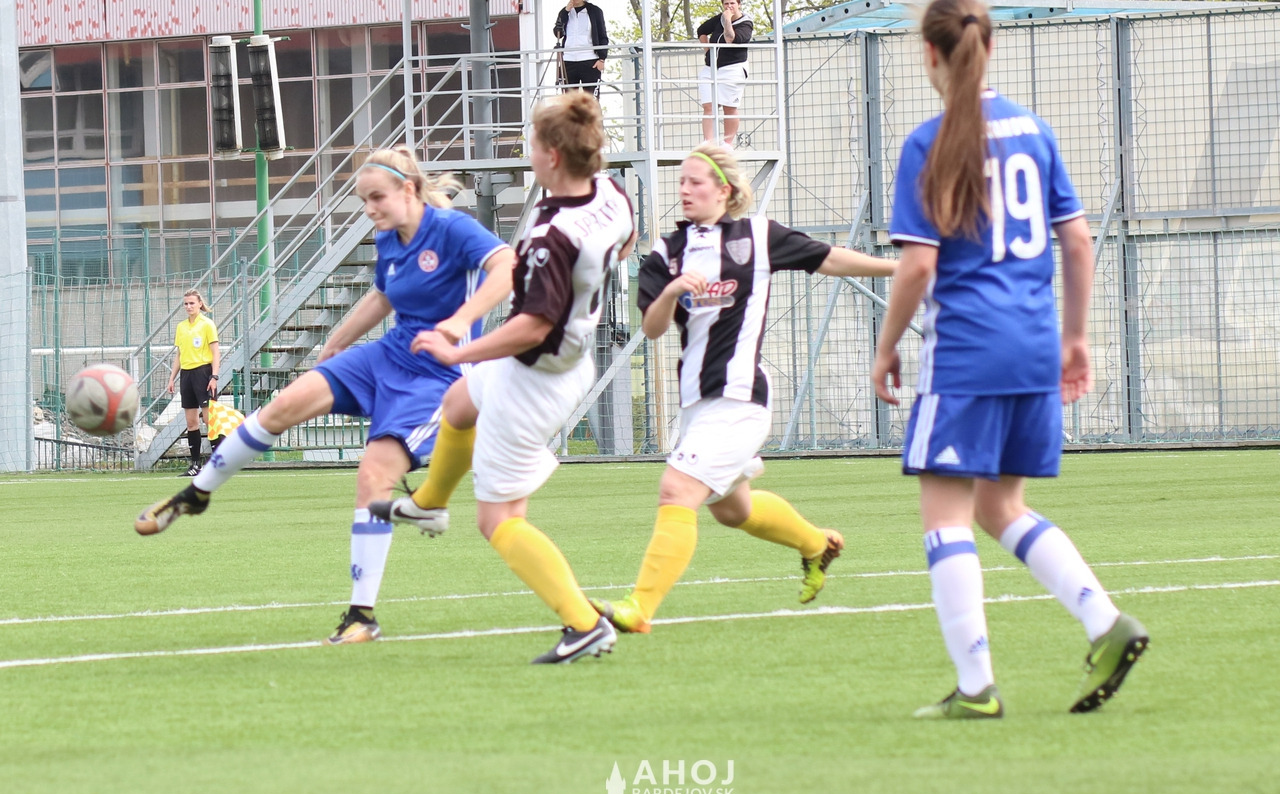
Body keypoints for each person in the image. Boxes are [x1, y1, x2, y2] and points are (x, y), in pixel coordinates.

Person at [872, 0, 1148, 720]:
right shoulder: (1034, 130)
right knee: (1001, 506)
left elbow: (917, 267)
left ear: (930, 55)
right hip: (1032, 346)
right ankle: (1105, 622)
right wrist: (1075, 338)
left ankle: (976, 688)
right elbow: (1078, 241)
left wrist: (887, 345)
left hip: (966, 351)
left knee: (946, 516)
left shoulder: (928, 143)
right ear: (988, 48)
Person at [135, 146, 517, 647]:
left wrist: (459, 322)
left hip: (438, 376)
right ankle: (197, 492)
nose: (369, 209)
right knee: (282, 406)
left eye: (376, 198)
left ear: (408, 189)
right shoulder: (390, 236)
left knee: (373, 475)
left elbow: (507, 267)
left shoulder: (453, 229)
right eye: (363, 200)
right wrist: (337, 340)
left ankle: (361, 615)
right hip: (388, 355)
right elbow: (383, 295)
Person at [370, 92, 637, 664]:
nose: (528, 153)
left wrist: (457, 350)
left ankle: (584, 623)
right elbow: (627, 240)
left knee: (498, 521)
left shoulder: (551, 237)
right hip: (563, 358)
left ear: (553, 157)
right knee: (460, 403)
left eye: (533, 145)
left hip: (535, 376)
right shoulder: (610, 192)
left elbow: (531, 328)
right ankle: (429, 502)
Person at [588, 142, 896, 635]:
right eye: (681, 181)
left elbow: (831, 259)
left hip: (740, 398)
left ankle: (639, 609)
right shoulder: (666, 253)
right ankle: (816, 544)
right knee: (734, 510)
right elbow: (651, 327)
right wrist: (672, 291)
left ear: (724, 190)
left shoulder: (757, 235)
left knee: (677, 489)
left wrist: (903, 269)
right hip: (698, 403)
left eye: (695, 181)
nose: (684, 189)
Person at [166, 289, 220, 476]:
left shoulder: (207, 324)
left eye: (192, 303)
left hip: (203, 373)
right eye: (186, 304)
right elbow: (179, 355)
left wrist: (214, 376)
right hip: (186, 375)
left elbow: (215, 352)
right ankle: (195, 465)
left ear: (199, 304)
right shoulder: (181, 327)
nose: (188, 306)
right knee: (191, 423)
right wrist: (172, 377)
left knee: (209, 420)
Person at [697, 0, 753, 149]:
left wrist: (727, 20)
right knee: (709, 105)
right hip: (711, 68)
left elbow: (730, 38)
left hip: (732, 68)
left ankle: (727, 144)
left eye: (732, 3)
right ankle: (708, 142)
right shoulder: (719, 18)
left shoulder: (746, 23)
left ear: (739, 4)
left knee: (729, 107)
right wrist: (708, 50)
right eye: (726, 3)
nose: (729, 6)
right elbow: (701, 30)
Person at [552, 0, 608, 98]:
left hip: (590, 60)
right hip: (568, 60)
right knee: (569, 101)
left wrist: (602, 59)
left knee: (591, 99)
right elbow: (558, 33)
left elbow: (603, 36)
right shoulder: (564, 12)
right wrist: (565, 12)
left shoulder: (595, 11)